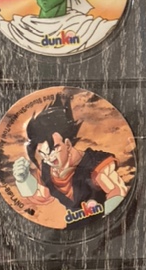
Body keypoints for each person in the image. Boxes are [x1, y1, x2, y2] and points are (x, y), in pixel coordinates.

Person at [12, 93, 129, 227]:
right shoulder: (47, 170)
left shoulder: (96, 164)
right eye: (43, 154)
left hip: (109, 225)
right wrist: (23, 180)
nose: (49, 158)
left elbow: (116, 191)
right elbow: (42, 195)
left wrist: (106, 223)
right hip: (73, 229)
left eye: (54, 149)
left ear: (67, 144)